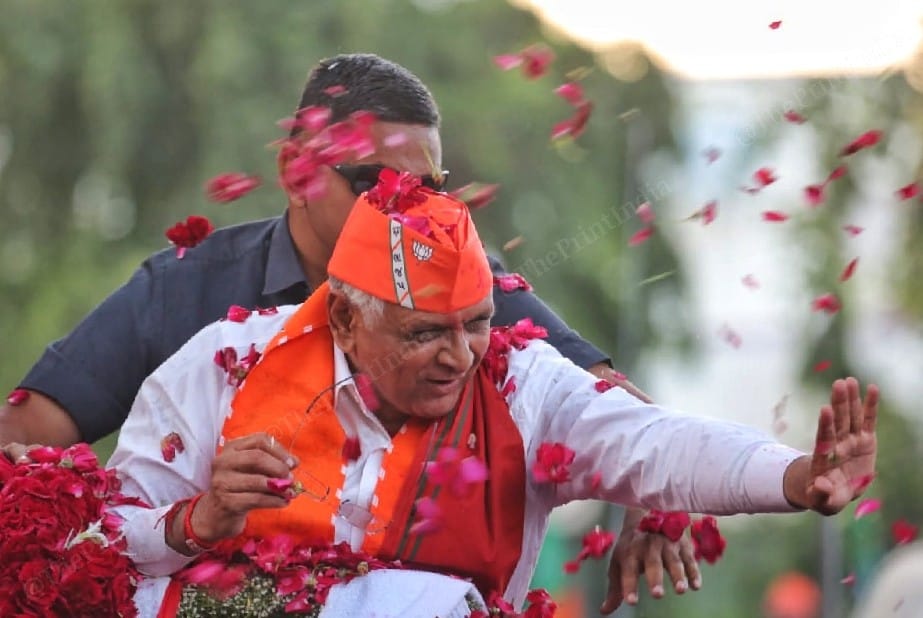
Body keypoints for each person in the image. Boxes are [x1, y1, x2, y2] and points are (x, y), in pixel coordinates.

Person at [0, 53, 688, 611]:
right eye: (375, 183)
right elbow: (21, 443)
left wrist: (651, 503)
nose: (407, 211)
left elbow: (617, 410)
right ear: (294, 171)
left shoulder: (461, 288)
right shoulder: (186, 286)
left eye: (428, 188)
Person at [108, 184, 879, 616]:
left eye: (475, 325)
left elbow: (651, 444)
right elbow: (99, 555)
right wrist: (196, 522)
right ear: (344, 317)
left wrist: (791, 477)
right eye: (422, 335)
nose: (458, 357)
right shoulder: (224, 366)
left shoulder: (516, 381)